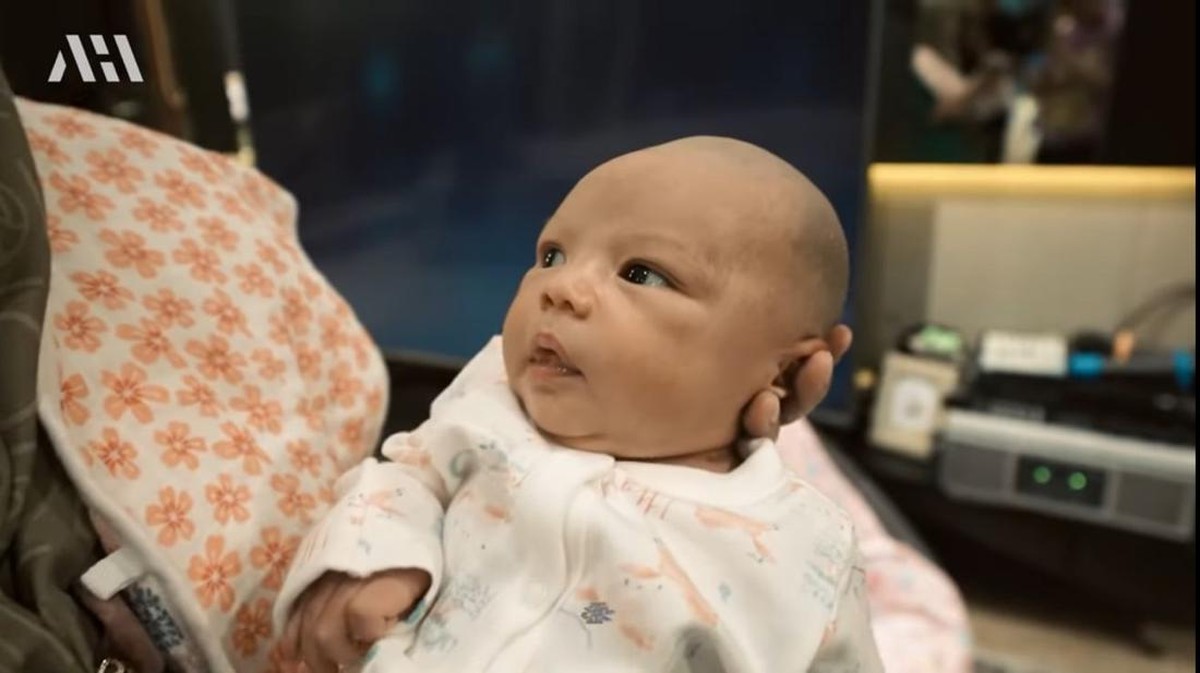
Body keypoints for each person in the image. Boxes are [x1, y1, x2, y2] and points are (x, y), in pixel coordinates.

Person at [273, 136, 876, 673]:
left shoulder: (804, 548)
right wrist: (368, 556)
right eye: (551, 255)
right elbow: (407, 475)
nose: (559, 288)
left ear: (789, 369)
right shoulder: (491, 405)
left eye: (641, 274)